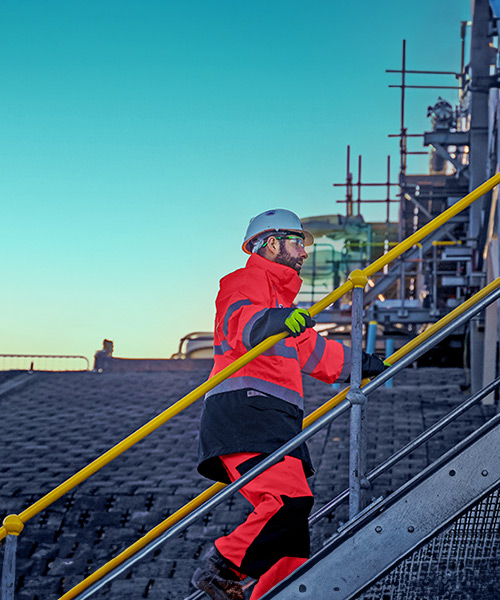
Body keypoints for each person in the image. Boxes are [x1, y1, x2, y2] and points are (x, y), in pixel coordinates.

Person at [192, 209, 386, 600]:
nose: (304, 252)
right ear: (271, 244)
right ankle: (221, 566)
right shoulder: (243, 281)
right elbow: (240, 321)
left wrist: (362, 364)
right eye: (297, 242)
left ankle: (275, 593)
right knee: (287, 501)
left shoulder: (285, 306)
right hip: (244, 414)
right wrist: (275, 321)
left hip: (276, 420)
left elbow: (315, 355)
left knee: (292, 535)